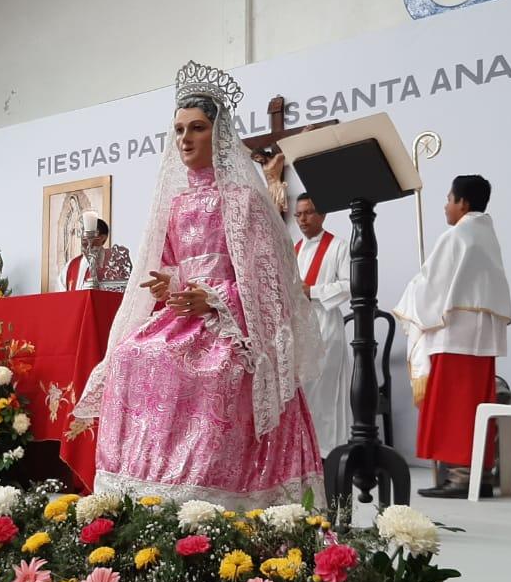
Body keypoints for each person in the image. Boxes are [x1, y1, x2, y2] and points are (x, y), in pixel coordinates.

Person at [75, 61, 324, 507]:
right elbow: (174, 265)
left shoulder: (244, 201)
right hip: (182, 317)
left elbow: (267, 285)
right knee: (133, 354)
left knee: (201, 370)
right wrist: (167, 286)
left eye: (197, 128)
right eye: (178, 130)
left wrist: (212, 300)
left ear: (220, 135)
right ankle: (142, 491)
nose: (185, 139)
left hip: (231, 323)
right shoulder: (176, 204)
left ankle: (210, 495)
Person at [394, 175, 511, 499]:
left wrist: (410, 294)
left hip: (455, 335)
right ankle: (479, 475)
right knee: (474, 405)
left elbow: (431, 284)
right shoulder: (486, 234)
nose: (445, 205)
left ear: (463, 202)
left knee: (456, 408)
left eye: (448, 198)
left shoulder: (457, 235)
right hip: (480, 337)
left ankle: (461, 477)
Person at [293, 193, 352, 452]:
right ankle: (304, 453)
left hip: (326, 326)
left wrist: (313, 291)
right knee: (302, 395)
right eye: (298, 214)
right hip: (299, 328)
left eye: (308, 212)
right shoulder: (293, 250)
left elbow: (352, 285)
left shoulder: (339, 246)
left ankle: (327, 452)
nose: (302, 219)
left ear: (323, 214)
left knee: (323, 394)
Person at [57, 219, 110, 291]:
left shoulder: (111, 263)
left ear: (102, 237)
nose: (83, 236)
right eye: (82, 231)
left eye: (88, 232)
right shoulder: (71, 265)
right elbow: (61, 294)